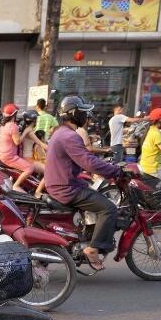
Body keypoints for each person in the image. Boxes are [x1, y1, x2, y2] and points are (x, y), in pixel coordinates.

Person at [44, 96, 123, 271]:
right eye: (84, 113)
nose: (87, 117)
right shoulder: (70, 136)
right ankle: (93, 248)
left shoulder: (60, 132)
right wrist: (117, 171)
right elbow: (88, 162)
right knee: (109, 208)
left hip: (64, 183)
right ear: (74, 114)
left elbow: (84, 157)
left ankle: (88, 234)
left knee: (96, 193)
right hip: (66, 188)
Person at [0, 103, 46, 192]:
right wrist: (25, 132)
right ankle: (16, 186)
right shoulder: (14, 126)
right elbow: (17, 142)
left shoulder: (5, 125)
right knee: (30, 168)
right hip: (9, 156)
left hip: (3, 154)